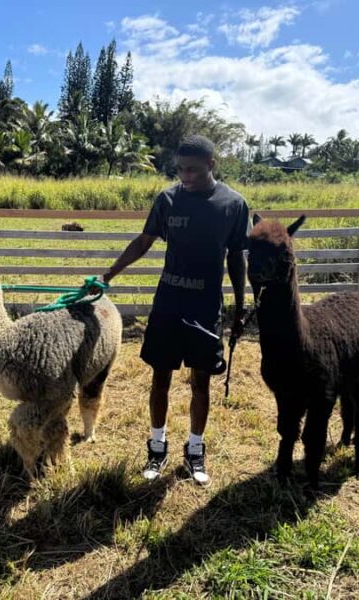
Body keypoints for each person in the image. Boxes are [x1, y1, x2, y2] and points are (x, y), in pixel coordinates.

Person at [100, 135, 251, 486]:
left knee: (201, 382)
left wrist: (240, 307)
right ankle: (157, 446)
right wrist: (109, 274)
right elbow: (143, 241)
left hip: (205, 305)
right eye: (180, 169)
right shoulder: (168, 200)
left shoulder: (233, 204)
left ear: (212, 165)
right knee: (160, 377)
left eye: (193, 170)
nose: (185, 176)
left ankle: (195, 450)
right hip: (168, 301)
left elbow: (236, 259)